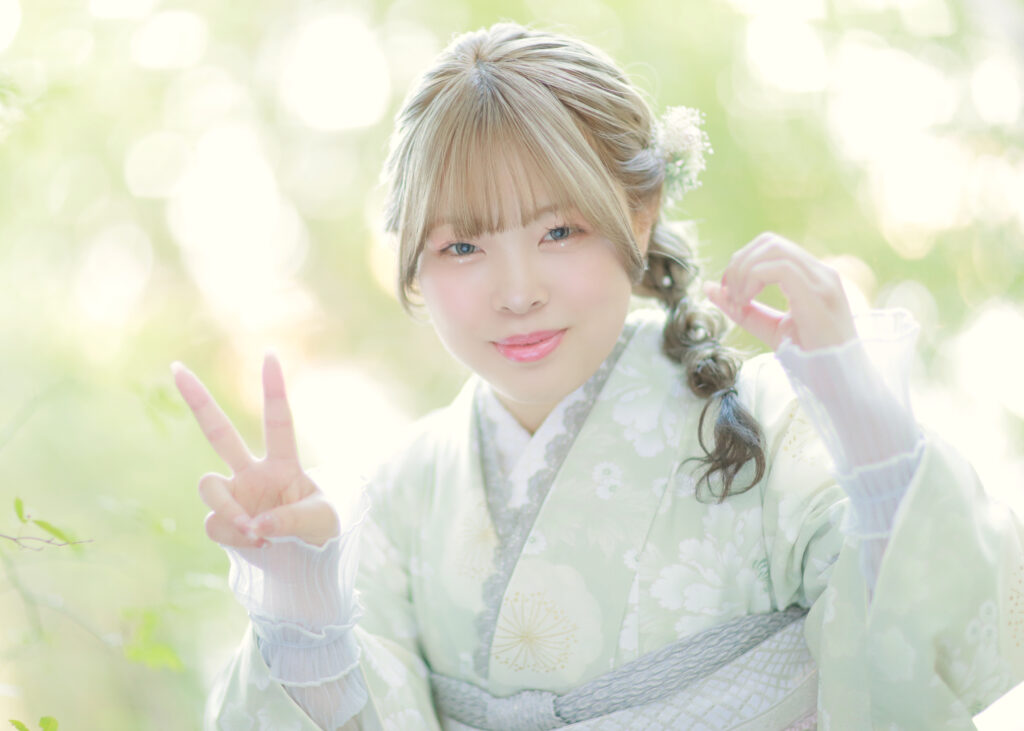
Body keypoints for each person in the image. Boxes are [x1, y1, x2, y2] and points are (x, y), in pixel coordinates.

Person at [173, 22, 1024, 730]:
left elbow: (932, 661)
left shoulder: (782, 425)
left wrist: (866, 425)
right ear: (412, 263)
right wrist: (301, 617)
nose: (517, 292)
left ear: (639, 216)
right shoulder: (397, 498)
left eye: (560, 232)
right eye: (462, 245)